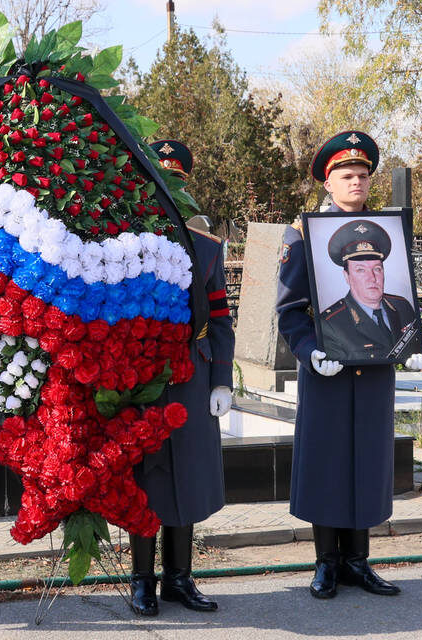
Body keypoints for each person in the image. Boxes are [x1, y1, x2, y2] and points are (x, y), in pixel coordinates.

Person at [276, 131, 422, 600]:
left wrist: (414, 342)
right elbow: (289, 311)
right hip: (327, 373)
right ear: (329, 182)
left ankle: (358, 563)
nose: (357, 182)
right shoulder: (303, 235)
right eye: (347, 175)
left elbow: (400, 297)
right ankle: (326, 563)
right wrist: (309, 352)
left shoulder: (388, 233)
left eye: (363, 175)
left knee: (367, 461)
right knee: (328, 462)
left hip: (374, 373)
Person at [129, 139, 235, 616]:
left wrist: (220, 380)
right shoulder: (124, 244)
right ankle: (142, 582)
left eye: (176, 185)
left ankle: (179, 579)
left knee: (188, 475)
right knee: (145, 479)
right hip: (141, 376)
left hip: (192, 374)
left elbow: (220, 319)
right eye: (159, 183)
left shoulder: (207, 251)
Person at [319, 219, 417, 361]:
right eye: (360, 270)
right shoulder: (331, 323)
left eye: (377, 269)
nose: (372, 278)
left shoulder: (403, 307)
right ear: (347, 276)